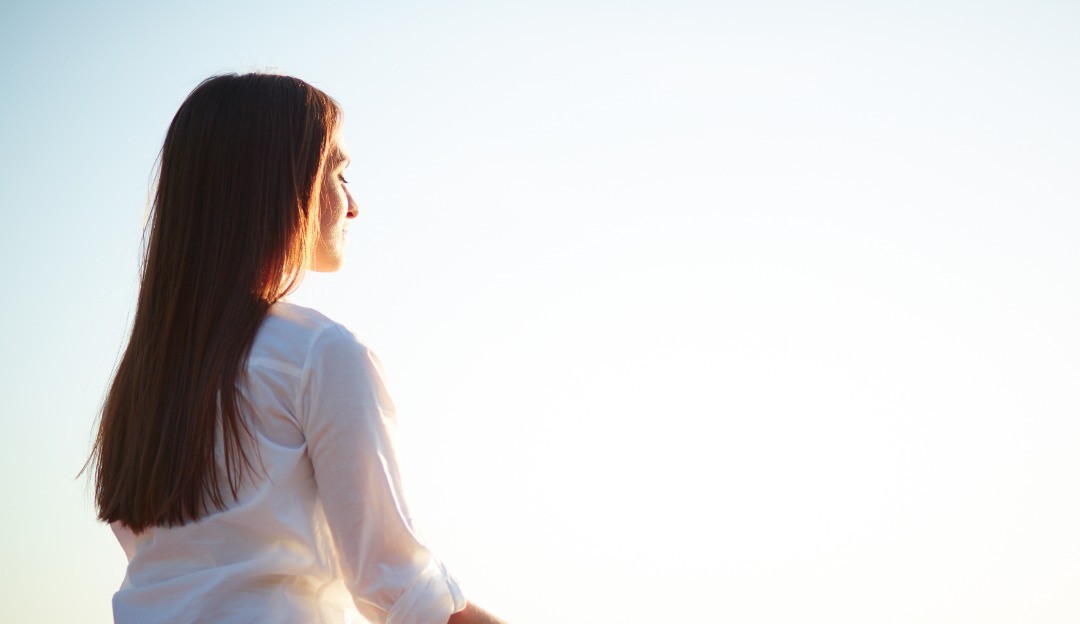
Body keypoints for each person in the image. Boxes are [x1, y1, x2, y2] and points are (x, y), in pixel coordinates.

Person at [86, 73, 507, 624]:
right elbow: (401, 592)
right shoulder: (317, 354)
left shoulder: (143, 382)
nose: (352, 205)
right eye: (340, 173)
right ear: (282, 183)